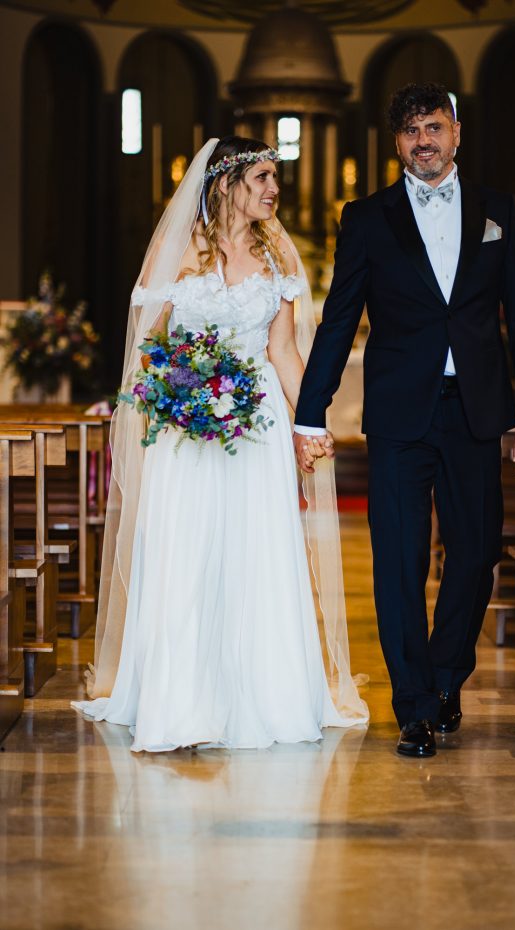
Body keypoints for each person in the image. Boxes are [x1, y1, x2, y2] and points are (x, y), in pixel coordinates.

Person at [73, 136, 368, 752]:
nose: (274, 189)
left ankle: (266, 697)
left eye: (275, 178)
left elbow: (283, 352)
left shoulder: (278, 257)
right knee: (187, 552)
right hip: (185, 430)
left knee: (258, 553)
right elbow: (149, 349)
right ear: (227, 183)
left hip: (258, 427)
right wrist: (184, 389)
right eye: (262, 177)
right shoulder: (177, 252)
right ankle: (181, 702)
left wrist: (310, 423)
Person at [294, 83, 515, 758]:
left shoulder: (498, 210)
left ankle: (445, 677)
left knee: (474, 554)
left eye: (433, 127)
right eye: (410, 131)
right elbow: (339, 319)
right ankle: (413, 704)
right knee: (399, 560)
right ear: (397, 142)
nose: (423, 141)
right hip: (398, 414)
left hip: (475, 411)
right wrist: (309, 413)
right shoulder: (366, 217)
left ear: (456, 132)